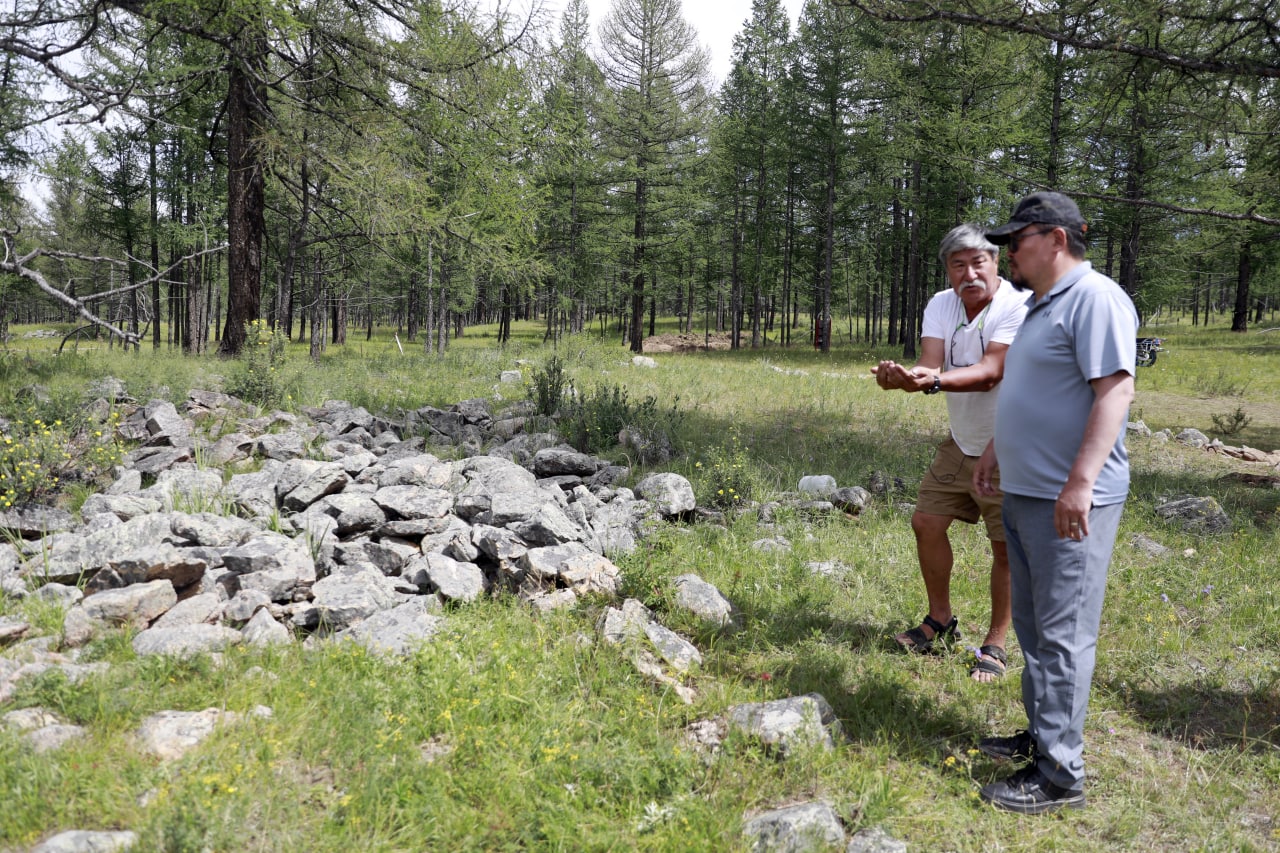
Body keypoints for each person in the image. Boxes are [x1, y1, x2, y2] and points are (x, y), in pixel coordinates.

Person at [972, 192, 1137, 814]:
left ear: (1056, 239)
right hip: (1025, 491)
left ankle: (1061, 777)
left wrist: (1081, 483)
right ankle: (1044, 736)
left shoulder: (1096, 299)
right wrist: (994, 448)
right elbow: (1032, 387)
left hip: (1068, 501)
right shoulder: (1040, 305)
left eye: (1017, 239)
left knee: (1064, 635)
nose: (1008, 250)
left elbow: (1115, 392)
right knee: (1036, 628)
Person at [871, 224, 1028, 682]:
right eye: (958, 265)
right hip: (963, 441)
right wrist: (903, 378)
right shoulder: (942, 304)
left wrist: (932, 381)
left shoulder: (1017, 307)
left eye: (979, 261)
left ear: (996, 263)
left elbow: (991, 372)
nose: (969, 273)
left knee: (1005, 546)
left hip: (1012, 446)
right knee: (926, 521)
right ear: (947, 270)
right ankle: (940, 621)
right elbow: (930, 362)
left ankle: (996, 645)